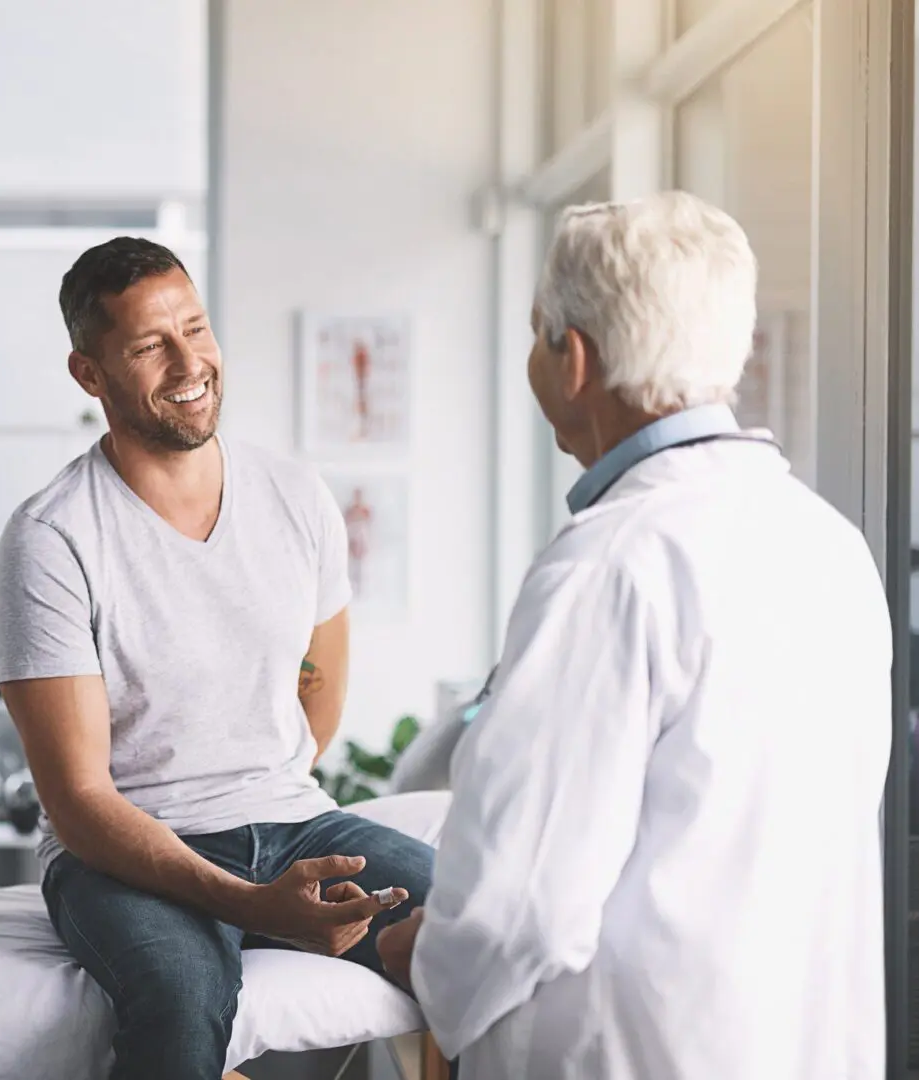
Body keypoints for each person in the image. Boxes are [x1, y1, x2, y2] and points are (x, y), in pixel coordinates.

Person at [376, 191, 892, 1079]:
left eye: (537, 333)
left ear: (568, 358)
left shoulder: (607, 563)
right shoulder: (828, 543)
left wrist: (423, 959)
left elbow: (516, 903)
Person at [0, 237, 435, 1079]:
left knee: (486, 924)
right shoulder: (50, 539)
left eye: (195, 328)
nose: (189, 361)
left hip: (293, 817)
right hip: (125, 852)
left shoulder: (295, 497)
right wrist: (250, 905)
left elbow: (321, 683)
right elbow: (79, 801)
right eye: (150, 345)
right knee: (180, 999)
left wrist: (267, 802)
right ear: (90, 374)